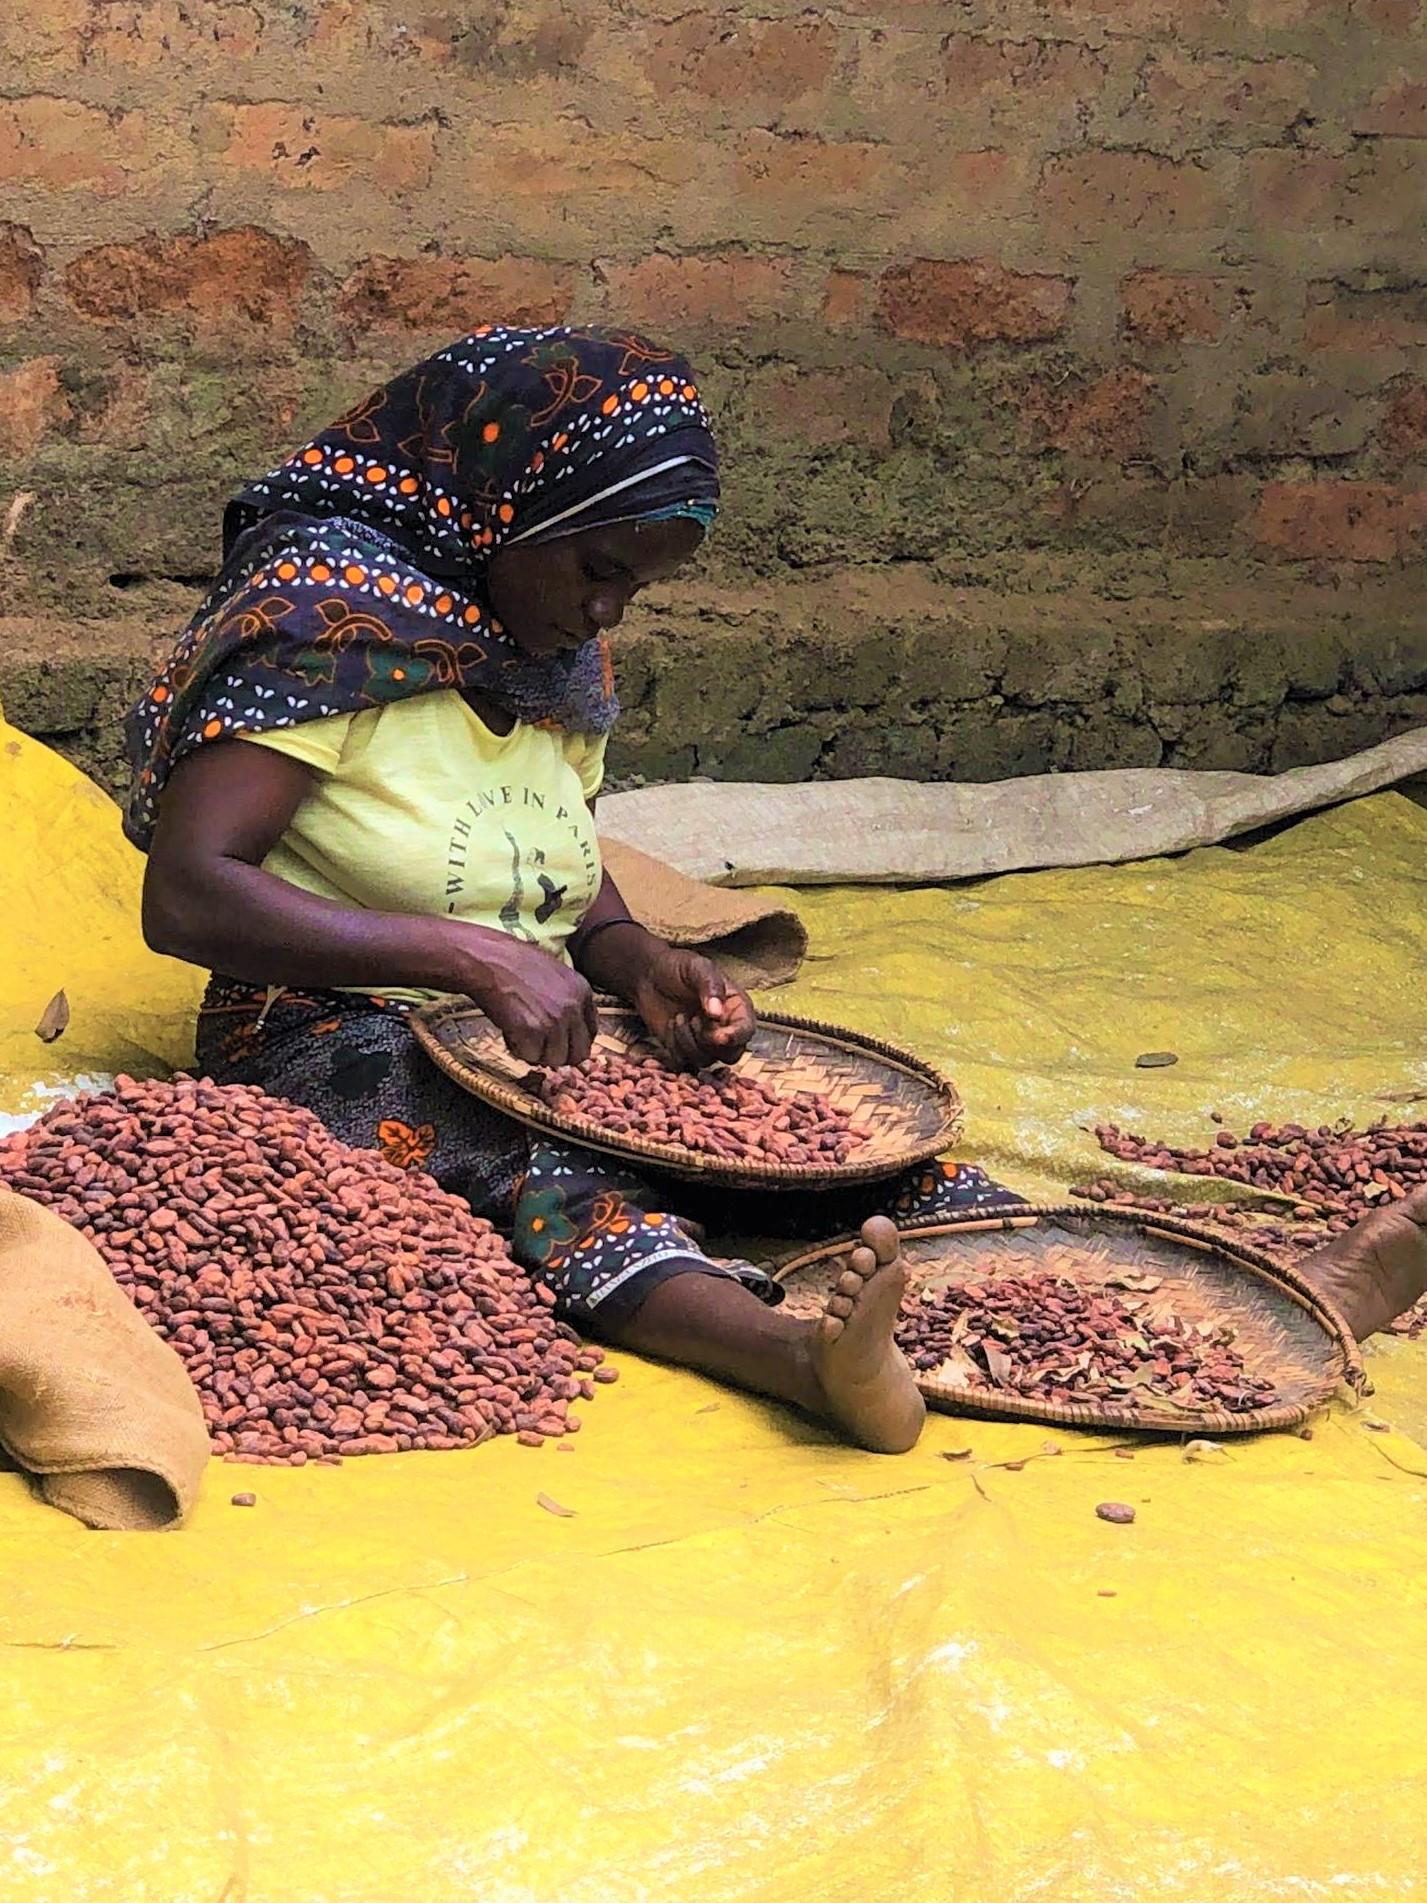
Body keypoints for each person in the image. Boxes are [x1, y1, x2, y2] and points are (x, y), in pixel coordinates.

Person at [129, 323, 1426, 1456]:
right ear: (503, 510)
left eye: (637, 586)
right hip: (330, 1031)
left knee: (862, 1171)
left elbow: (554, 875)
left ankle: (1266, 1299)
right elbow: (188, 896)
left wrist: (640, 964)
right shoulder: (326, 630)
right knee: (538, 1174)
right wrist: (463, 958)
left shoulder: (549, 663)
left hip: (536, 1028)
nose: (609, 616)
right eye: (596, 571)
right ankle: (794, 1359)